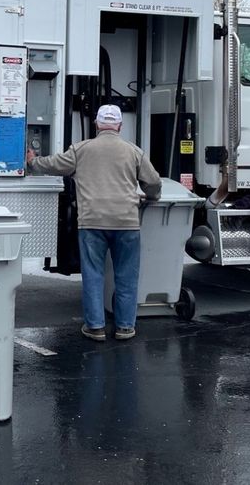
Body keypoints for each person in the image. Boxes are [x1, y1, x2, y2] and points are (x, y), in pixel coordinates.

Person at [25, 104, 161, 341]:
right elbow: (154, 182)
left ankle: (95, 327)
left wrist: (33, 162)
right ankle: (125, 327)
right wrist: (150, 196)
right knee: (126, 276)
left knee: (93, 275)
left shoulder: (81, 150)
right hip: (126, 222)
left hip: (92, 223)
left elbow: (54, 164)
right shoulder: (133, 151)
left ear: (97, 124)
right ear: (120, 126)